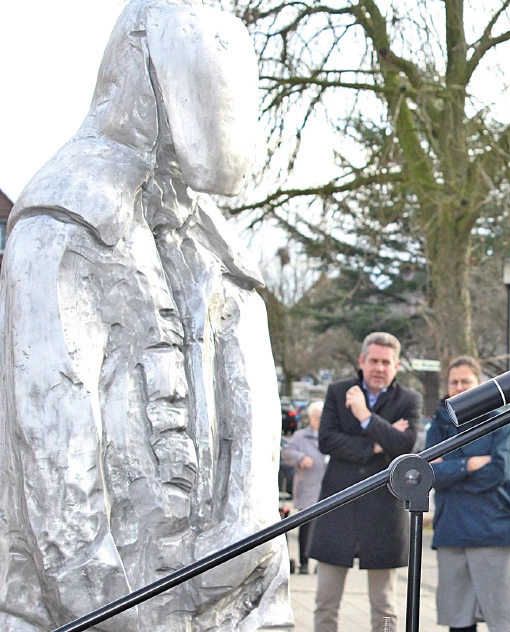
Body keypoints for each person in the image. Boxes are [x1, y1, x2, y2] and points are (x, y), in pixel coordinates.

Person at [0, 2, 292, 629]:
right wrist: (122, 616)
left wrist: (250, 556)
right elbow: (58, 475)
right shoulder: (63, 225)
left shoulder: (219, 251)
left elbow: (254, 475)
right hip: (99, 608)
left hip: (220, 603)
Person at [309, 332, 422, 632]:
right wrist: (378, 443)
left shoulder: (409, 400)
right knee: (325, 601)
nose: (379, 368)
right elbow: (326, 441)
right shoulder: (337, 391)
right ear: (361, 361)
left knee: (385, 606)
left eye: (386, 362)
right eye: (373, 360)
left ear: (396, 365)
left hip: (384, 513)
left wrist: (364, 416)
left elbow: (405, 446)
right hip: (337, 508)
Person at [426, 356, 510, 632]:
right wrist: (469, 464)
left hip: (495, 531)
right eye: (454, 382)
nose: (460, 387)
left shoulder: (500, 419)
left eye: (466, 381)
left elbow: (498, 471)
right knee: (458, 621)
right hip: (452, 532)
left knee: (504, 622)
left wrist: (450, 469)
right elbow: (430, 474)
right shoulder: (438, 423)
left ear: (479, 384)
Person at [282, 400, 327, 574]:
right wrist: (300, 458)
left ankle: (321, 562)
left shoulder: (329, 435)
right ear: (310, 418)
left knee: (325, 528)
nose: (321, 420)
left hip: (325, 487)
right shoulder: (300, 436)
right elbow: (287, 452)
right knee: (307, 526)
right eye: (318, 417)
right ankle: (304, 561)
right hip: (307, 486)